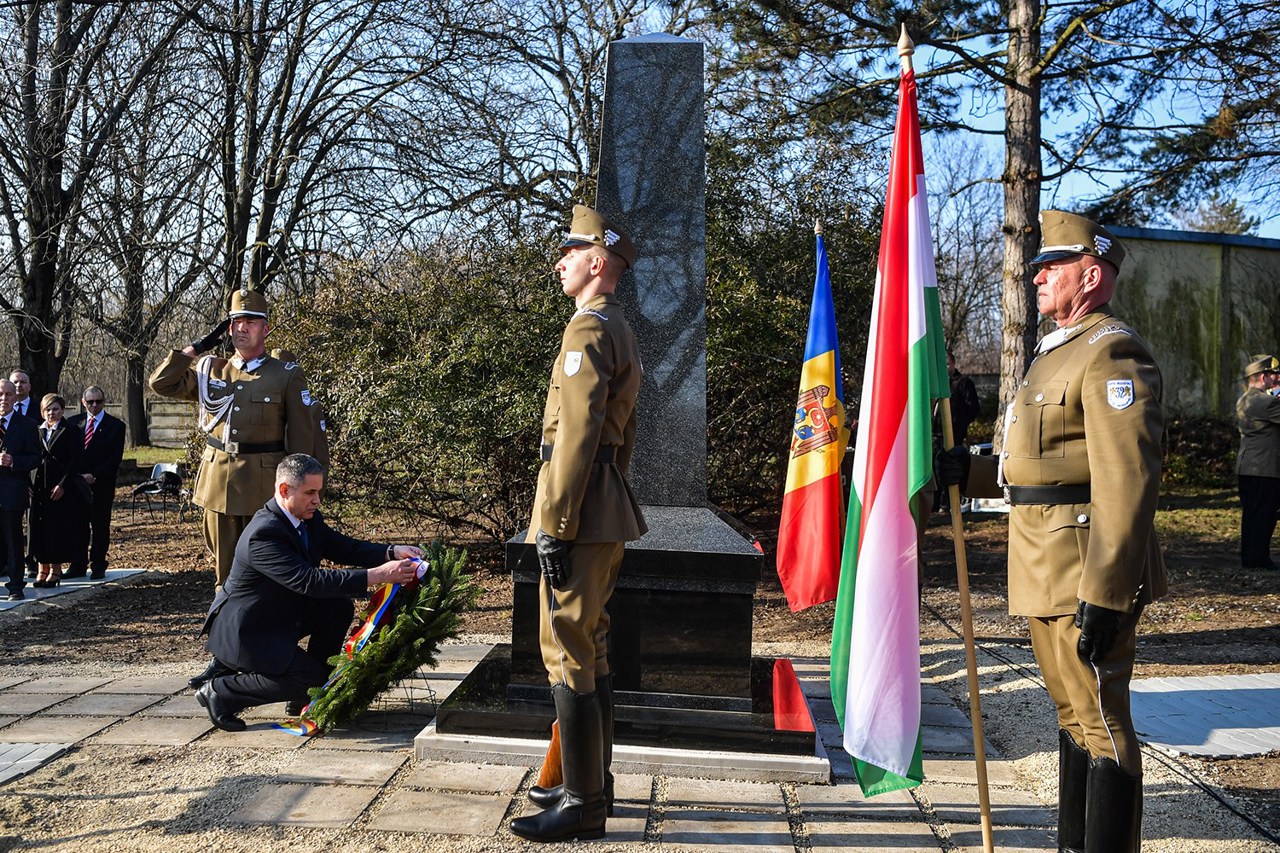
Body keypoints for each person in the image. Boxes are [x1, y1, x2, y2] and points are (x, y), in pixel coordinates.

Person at [937, 210, 1164, 853]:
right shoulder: (1055, 353)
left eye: (1051, 267)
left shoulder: (1111, 349)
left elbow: (1126, 476)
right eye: (1037, 267)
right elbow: (1041, 462)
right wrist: (974, 471)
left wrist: (1110, 587)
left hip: (1084, 560)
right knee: (1070, 715)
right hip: (1042, 557)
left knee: (1100, 719)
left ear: (1090, 276)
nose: (1036, 278)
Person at [510, 205, 646, 844]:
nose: (560, 261)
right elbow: (620, 435)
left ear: (597, 262)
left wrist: (555, 524)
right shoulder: (616, 326)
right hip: (603, 501)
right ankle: (593, 790)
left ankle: (584, 804)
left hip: (579, 509)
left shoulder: (587, 330)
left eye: (570, 252)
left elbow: (579, 434)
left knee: (565, 646)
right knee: (589, 642)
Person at [148, 288, 326, 688]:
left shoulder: (284, 375)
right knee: (224, 576)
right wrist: (194, 348)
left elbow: (303, 443)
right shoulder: (212, 372)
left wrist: (308, 495)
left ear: (265, 328)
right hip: (217, 486)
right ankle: (223, 658)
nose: (239, 329)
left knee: (275, 577)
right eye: (234, 323)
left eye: (248, 322)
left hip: (267, 491)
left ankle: (272, 651)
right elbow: (161, 382)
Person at [194, 453, 421, 731]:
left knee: (336, 606)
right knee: (311, 679)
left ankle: (301, 695)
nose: (317, 500)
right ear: (284, 490)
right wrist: (379, 575)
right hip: (246, 631)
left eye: (319, 491)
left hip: (276, 613)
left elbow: (344, 547)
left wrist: (391, 551)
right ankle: (221, 691)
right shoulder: (264, 534)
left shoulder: (306, 517)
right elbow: (309, 581)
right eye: (310, 492)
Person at [65, 386, 125, 580]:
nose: (94, 405)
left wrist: (95, 475)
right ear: (83, 402)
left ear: (104, 401)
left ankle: (98, 565)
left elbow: (114, 458)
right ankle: (77, 565)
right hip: (76, 484)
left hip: (101, 485)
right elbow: (68, 454)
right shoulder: (73, 424)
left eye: (98, 401)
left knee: (99, 526)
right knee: (77, 525)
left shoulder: (115, 425)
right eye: (90, 402)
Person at [31, 394, 85, 588]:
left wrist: (63, 484)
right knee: (39, 529)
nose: (51, 413)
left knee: (56, 530)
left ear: (62, 410)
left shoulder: (70, 431)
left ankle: (55, 569)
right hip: (39, 487)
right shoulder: (37, 431)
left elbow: (75, 460)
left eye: (55, 409)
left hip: (60, 487)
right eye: (47, 410)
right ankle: (41, 568)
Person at [1234, 354, 1280, 569]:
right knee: (1265, 514)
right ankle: (1259, 558)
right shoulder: (1267, 402)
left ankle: (1249, 556)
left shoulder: (1244, 399)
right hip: (1264, 468)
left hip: (1246, 466)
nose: (1276, 379)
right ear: (1263, 377)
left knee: (1251, 513)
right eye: (1274, 375)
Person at [0, 379, 41, 601]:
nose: (3, 399)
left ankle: (16, 586)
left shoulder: (25, 425)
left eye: (8, 395)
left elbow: (35, 458)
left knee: (13, 541)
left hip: (12, 493)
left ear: (15, 398)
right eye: (0, 394)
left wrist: (13, 461)